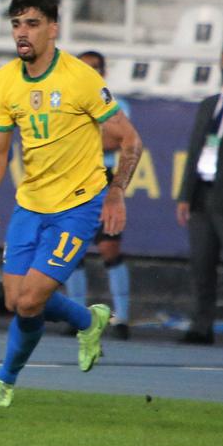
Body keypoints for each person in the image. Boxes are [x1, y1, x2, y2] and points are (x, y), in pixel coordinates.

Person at [0, 0, 142, 407]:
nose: (22, 33)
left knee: (31, 300)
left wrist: (116, 193)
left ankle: (3, 382)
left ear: (53, 28)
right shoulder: (5, 79)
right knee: (15, 301)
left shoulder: (79, 78)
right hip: (30, 204)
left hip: (77, 205)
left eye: (31, 24)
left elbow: (129, 139)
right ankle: (90, 319)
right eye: (16, 24)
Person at [175, 43, 223, 347]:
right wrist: (184, 195)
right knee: (201, 266)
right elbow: (194, 150)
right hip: (202, 193)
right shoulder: (210, 104)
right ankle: (200, 325)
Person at [63, 51, 134, 340]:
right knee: (70, 250)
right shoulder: (65, 102)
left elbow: (117, 140)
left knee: (109, 249)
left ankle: (122, 319)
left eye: (96, 68)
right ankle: (78, 316)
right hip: (70, 180)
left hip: (101, 179)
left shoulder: (116, 104)